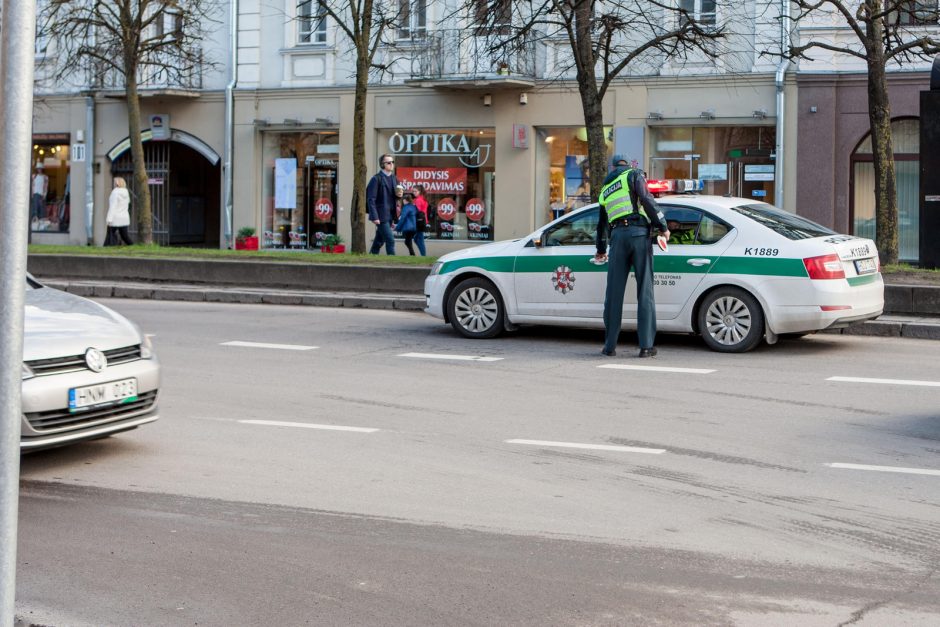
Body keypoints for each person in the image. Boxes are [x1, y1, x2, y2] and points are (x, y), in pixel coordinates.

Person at [594, 159, 669, 358]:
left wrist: (601, 248)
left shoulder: (606, 188)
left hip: (617, 238)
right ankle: (646, 346)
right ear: (627, 164)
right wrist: (662, 225)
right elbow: (646, 199)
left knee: (613, 293)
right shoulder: (634, 175)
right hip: (639, 236)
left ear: (612, 168)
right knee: (644, 290)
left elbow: (601, 224)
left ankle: (609, 347)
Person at [366, 154, 398, 255]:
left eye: (392, 162)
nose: (391, 164)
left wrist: (400, 195)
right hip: (380, 215)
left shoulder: (394, 179)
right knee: (390, 240)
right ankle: (392, 264)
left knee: (379, 241)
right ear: (382, 164)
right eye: (388, 162)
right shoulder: (376, 179)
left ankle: (372, 256)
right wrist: (375, 217)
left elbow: (396, 197)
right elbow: (371, 199)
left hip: (390, 215)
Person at [105, 176, 134, 246]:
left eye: (114, 182)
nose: (113, 184)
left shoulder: (115, 193)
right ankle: (132, 246)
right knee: (125, 236)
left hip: (115, 218)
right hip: (124, 218)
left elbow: (113, 207)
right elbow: (128, 205)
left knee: (110, 234)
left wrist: (109, 219)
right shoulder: (126, 192)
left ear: (117, 184)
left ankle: (107, 247)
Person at [412, 184, 428, 256]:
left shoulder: (418, 200)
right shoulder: (423, 199)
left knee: (420, 239)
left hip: (418, 222)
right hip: (422, 221)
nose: (414, 193)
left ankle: (423, 255)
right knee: (416, 239)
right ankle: (423, 254)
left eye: (415, 191)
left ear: (419, 191)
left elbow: (417, 211)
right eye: (413, 191)